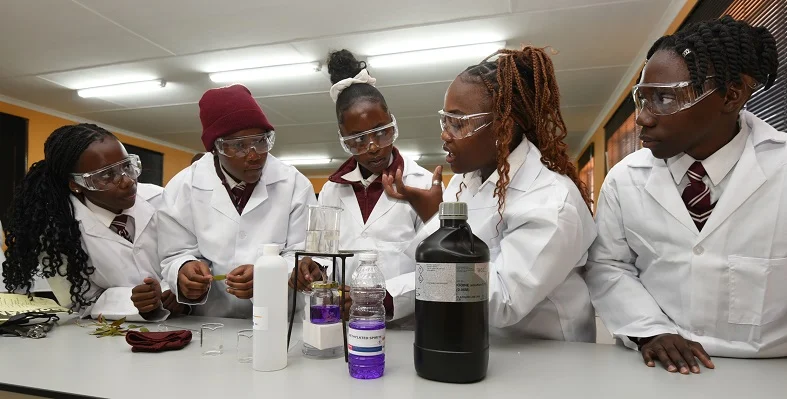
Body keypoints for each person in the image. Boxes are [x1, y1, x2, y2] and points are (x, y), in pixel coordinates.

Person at [585, 16, 783, 375]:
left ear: (732, 95)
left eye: (663, 98)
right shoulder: (624, 180)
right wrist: (650, 330)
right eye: (641, 99)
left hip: (767, 372)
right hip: (653, 367)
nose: (643, 119)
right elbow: (608, 265)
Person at [382, 46, 597, 341]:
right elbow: (431, 261)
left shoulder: (551, 201)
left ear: (504, 128)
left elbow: (504, 296)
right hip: (481, 342)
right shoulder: (468, 183)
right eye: (445, 120)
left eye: (459, 123)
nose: (445, 134)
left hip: (547, 356)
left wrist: (394, 296)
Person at [290, 50, 435, 325]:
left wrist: (378, 298)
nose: (372, 147)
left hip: (406, 327)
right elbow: (324, 256)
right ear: (342, 139)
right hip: (344, 328)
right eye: (357, 140)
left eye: (382, 131)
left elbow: (438, 271)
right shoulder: (332, 191)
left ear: (393, 122)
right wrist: (315, 269)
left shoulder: (423, 185)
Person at [159, 84, 316, 318]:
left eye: (261, 141)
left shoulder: (294, 184)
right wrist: (183, 270)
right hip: (210, 321)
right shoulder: (183, 187)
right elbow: (174, 254)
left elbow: (303, 255)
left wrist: (268, 276)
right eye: (238, 146)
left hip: (279, 320)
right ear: (216, 149)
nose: (253, 155)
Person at [1, 123, 182, 321]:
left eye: (127, 166)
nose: (127, 181)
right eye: (106, 175)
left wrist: (176, 284)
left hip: (195, 321)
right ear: (76, 185)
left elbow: (187, 252)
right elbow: (80, 300)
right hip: (117, 336)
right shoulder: (58, 233)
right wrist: (133, 302)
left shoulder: (161, 199)